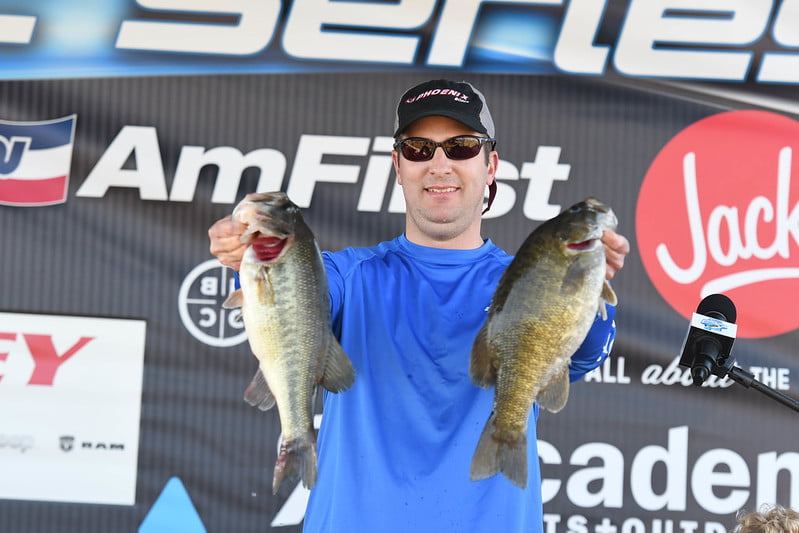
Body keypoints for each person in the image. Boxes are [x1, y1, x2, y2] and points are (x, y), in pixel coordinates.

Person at [209, 79, 630, 532]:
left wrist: (587, 287)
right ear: (398, 165)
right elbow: (295, 303)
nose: (440, 165)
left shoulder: (529, 280)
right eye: (418, 149)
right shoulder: (347, 276)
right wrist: (252, 255)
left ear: (490, 166)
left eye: (462, 146)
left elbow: (582, 356)